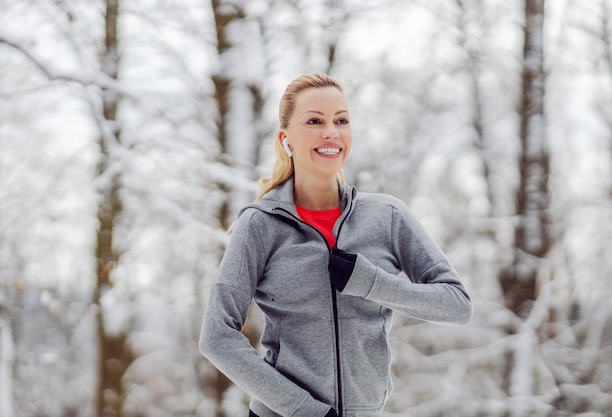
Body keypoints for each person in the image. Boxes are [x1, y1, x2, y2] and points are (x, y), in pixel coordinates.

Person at [199, 73, 473, 417]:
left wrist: (372, 283)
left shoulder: (386, 216)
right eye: (315, 121)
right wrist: (305, 411)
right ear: (286, 140)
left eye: (341, 120)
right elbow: (216, 336)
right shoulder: (260, 225)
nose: (331, 132)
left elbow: (457, 305)